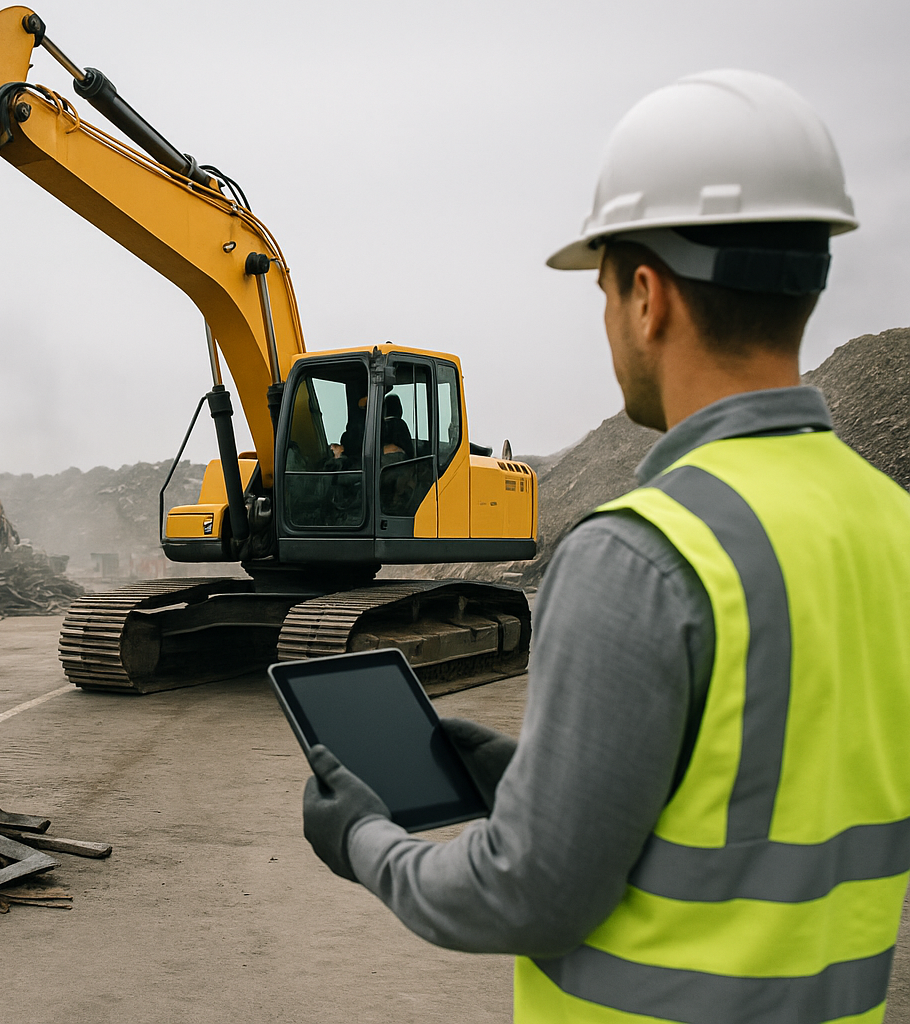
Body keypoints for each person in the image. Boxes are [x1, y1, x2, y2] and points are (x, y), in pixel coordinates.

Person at [301, 68, 910, 1022]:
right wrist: (534, 779)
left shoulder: (642, 556)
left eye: (602, 292)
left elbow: (527, 894)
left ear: (646, 297)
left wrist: (365, 842)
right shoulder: (890, 524)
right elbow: (765, 792)